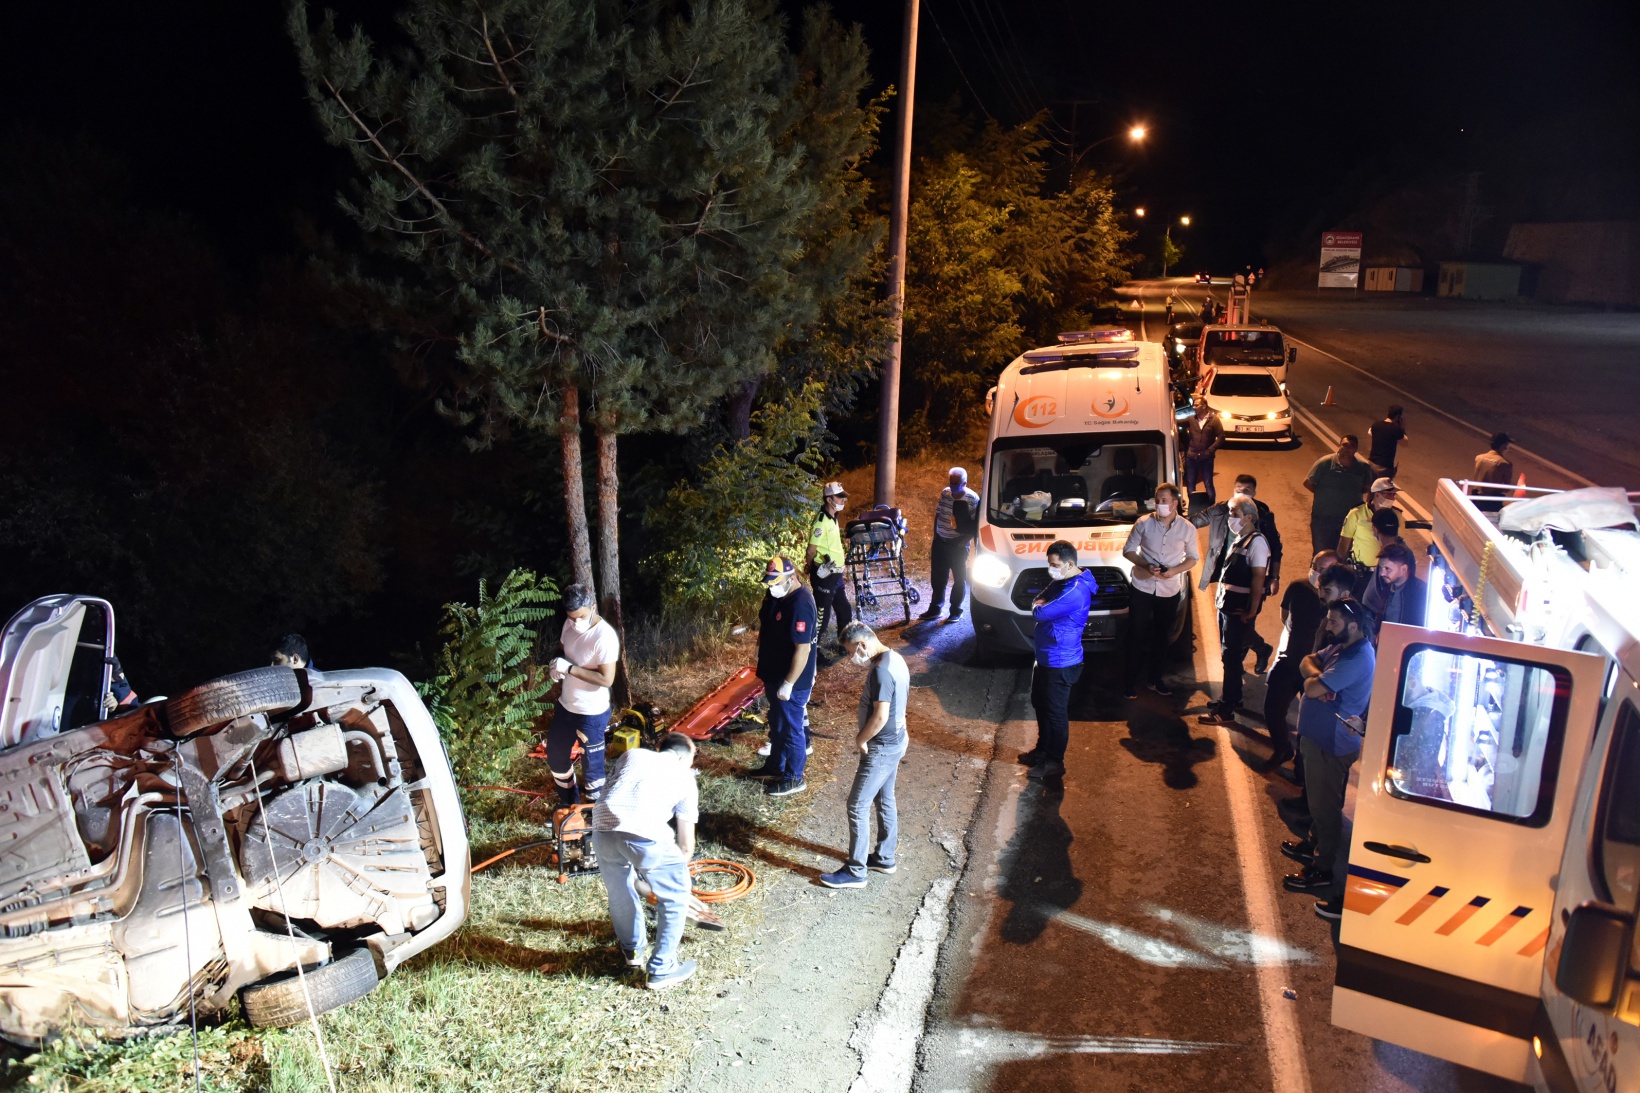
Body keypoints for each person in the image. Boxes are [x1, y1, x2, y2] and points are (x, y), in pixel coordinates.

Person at [1282, 600, 1376, 923]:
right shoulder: (1340, 648)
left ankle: (1322, 869)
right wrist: (1319, 679)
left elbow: (1309, 686)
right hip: (1319, 742)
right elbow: (1307, 663)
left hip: (1331, 746)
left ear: (1352, 625)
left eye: (1333, 621)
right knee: (1320, 805)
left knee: (1325, 809)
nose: (1328, 626)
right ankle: (1313, 846)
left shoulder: (1356, 658)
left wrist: (1315, 683)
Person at [591, 731, 701, 990]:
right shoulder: (685, 776)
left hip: (601, 828)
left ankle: (632, 953)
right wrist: (677, 883)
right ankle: (663, 969)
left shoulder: (632, 755)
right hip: (644, 833)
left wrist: (648, 878)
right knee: (674, 898)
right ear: (685, 757)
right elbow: (686, 843)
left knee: (620, 891)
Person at [819, 622, 911, 889]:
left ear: (862, 644)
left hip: (882, 747)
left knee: (857, 806)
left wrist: (861, 739)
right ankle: (884, 857)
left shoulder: (881, 671)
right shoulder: (895, 658)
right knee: (885, 798)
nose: (851, 658)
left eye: (850, 652)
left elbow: (881, 716)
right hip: (895, 741)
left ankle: (856, 870)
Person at [1017, 542, 1095, 782]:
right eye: (1049, 564)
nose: (1051, 569)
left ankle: (1054, 762)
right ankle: (1043, 750)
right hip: (1046, 657)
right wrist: (1040, 601)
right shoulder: (1063, 581)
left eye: (1055, 565)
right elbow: (1042, 596)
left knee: (1056, 714)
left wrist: (1038, 605)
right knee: (1040, 704)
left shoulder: (1075, 591)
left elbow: (1039, 611)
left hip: (1060, 662)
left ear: (1070, 564)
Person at [1191, 474, 1283, 673]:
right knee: (1230, 626)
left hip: (1250, 581)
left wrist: (1274, 577)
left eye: (1247, 490)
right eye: (1238, 489)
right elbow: (1194, 521)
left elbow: (1275, 547)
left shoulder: (1262, 515)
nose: (1242, 493)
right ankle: (1244, 659)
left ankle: (1244, 660)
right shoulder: (1222, 509)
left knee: (1243, 625)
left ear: (1255, 493)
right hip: (1227, 578)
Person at [1263, 551, 1340, 771]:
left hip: (1317, 670)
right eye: (1316, 566)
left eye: (1325, 569)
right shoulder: (1298, 588)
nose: (1318, 572)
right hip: (1291, 660)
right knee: (1272, 708)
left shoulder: (1338, 602)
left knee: (1309, 721)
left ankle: (1301, 765)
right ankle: (1282, 748)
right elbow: (1284, 614)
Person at [1121, 483, 1199, 698]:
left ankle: (1154, 679)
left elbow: (1193, 558)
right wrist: (1146, 565)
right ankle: (1129, 682)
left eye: (1164, 501)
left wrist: (1174, 570)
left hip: (1169, 589)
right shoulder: (1144, 523)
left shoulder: (1187, 528)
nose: (1159, 504)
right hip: (1142, 586)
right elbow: (1128, 550)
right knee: (1136, 635)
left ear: (1175, 503)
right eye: (1157, 500)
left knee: (1161, 637)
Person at [1199, 496, 1269, 728]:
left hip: (1237, 610)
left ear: (1249, 517)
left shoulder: (1256, 542)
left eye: (1234, 513)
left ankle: (1227, 709)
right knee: (1229, 656)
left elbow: (1258, 578)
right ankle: (1232, 698)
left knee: (1231, 657)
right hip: (1227, 607)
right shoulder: (1242, 539)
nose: (1230, 518)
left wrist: (1252, 610)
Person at [546, 583, 619, 804]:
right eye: (571, 617)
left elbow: (606, 679)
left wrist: (569, 669)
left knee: (593, 770)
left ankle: (595, 816)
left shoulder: (604, 637)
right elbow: (563, 650)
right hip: (566, 706)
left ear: (593, 607)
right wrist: (555, 665)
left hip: (591, 713)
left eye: (581, 617)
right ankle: (569, 805)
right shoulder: (568, 625)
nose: (576, 622)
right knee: (556, 757)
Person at [750, 556, 817, 797]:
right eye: (770, 582)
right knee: (777, 724)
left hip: (792, 678)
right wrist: (759, 647)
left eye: (776, 582)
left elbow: (803, 648)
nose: (772, 586)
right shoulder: (775, 594)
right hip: (772, 670)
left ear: (792, 578)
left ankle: (794, 777)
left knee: (791, 727)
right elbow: (765, 624)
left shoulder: (801, 603)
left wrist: (789, 683)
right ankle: (775, 767)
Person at [920, 468, 980, 622]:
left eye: (956, 483)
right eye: (951, 482)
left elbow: (976, 525)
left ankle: (955, 611)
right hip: (941, 541)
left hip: (957, 545)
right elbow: (938, 514)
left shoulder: (972, 499)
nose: (953, 486)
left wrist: (963, 542)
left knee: (959, 579)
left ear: (964, 483)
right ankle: (935, 609)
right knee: (938, 578)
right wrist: (936, 536)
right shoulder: (945, 493)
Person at [1303, 434, 1373, 553]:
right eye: (1345, 445)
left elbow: (1367, 487)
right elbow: (1308, 482)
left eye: (1352, 446)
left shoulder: (1362, 467)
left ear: (1356, 449)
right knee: (1321, 554)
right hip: (1323, 519)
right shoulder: (1325, 463)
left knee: (1345, 554)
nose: (1347, 448)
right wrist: (1324, 494)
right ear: (1339, 446)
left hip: (1349, 521)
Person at [807, 481, 852, 652]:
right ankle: (811, 652)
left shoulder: (833, 517)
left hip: (836, 575)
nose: (843, 500)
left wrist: (842, 567)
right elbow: (811, 550)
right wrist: (811, 568)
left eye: (843, 497)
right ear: (828, 499)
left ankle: (844, 645)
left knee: (844, 609)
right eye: (839, 497)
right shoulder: (820, 521)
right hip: (825, 576)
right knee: (822, 617)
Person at [1362, 542, 1427, 634]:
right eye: (1381, 568)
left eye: (1388, 569)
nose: (1382, 574)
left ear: (1403, 569)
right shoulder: (1384, 588)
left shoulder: (1421, 593)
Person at [1337, 477, 1400, 568]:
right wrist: (1339, 568)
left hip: (1385, 571)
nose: (1392, 498)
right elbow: (1343, 545)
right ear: (1377, 494)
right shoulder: (1356, 514)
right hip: (1361, 571)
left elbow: (1398, 543)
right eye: (1389, 494)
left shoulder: (1396, 515)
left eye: (1394, 495)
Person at [1184, 395, 1226, 505]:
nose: (1194, 407)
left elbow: (1221, 438)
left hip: (1206, 458)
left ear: (1204, 406)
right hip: (1192, 457)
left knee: (1208, 483)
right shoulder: (1191, 419)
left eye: (1196, 405)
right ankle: (1193, 506)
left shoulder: (1214, 420)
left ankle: (1212, 507)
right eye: (1193, 405)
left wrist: (1210, 451)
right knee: (1190, 483)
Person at [1473, 431, 1515, 513]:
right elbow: (1506, 488)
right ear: (1504, 446)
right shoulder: (1505, 464)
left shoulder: (1479, 458)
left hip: (1476, 497)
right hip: (1491, 501)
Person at [1366, 406, 1408, 480]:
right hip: (1384, 467)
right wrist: (1402, 428)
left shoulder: (1376, 424)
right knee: (1382, 490)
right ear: (1397, 417)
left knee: (1370, 487)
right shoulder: (1395, 429)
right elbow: (1405, 443)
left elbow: (1370, 433)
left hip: (1371, 463)